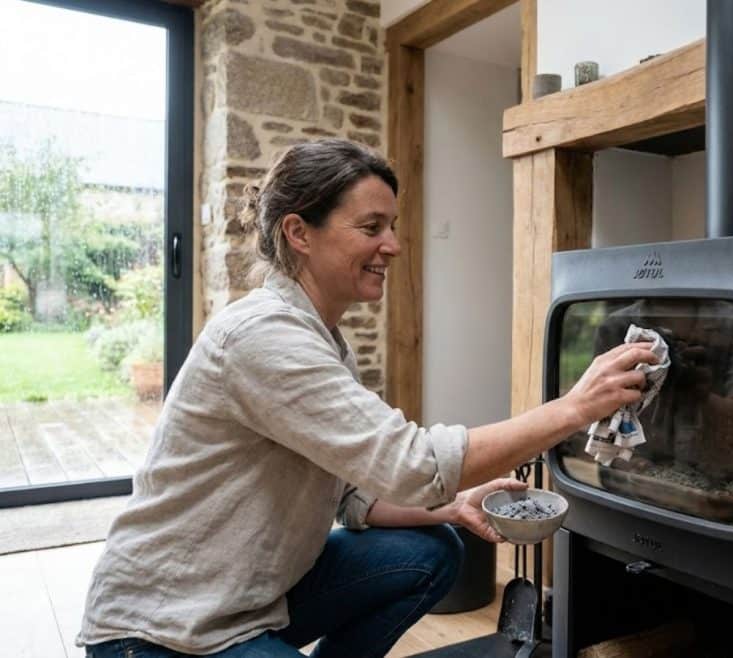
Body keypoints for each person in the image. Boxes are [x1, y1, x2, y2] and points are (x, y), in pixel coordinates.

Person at [78, 139, 657, 658]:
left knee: (435, 549)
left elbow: (356, 498)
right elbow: (413, 465)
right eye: (372, 227)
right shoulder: (263, 337)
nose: (395, 245)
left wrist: (454, 505)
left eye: (393, 226)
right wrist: (576, 407)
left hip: (254, 596)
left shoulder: (324, 339)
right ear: (299, 233)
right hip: (165, 627)